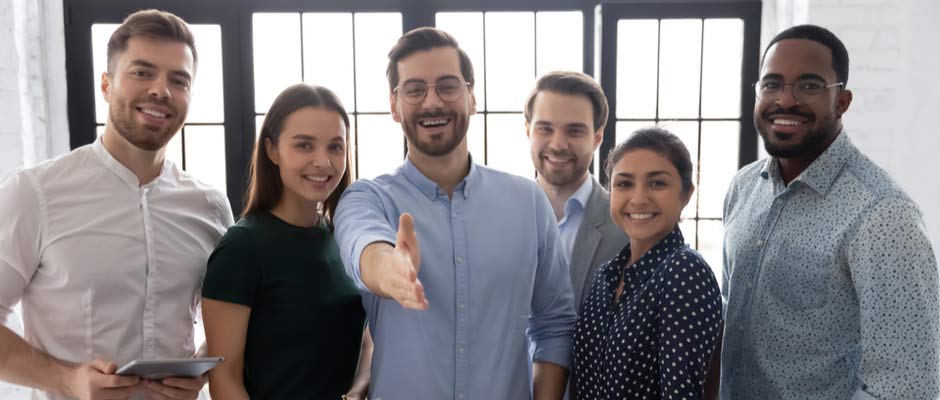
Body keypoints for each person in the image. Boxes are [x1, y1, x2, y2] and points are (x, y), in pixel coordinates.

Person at [0, 9, 232, 400]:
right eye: (142, 72)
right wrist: (67, 378)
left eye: (179, 80)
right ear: (106, 85)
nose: (161, 90)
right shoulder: (33, 192)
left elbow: (230, 319)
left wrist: (203, 367)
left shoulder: (210, 206)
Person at [333, 27, 576, 399]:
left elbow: (555, 325)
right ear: (395, 106)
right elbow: (362, 249)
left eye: (448, 86)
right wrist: (392, 270)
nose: (433, 102)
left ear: (471, 97)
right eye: (414, 90)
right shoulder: (367, 197)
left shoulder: (528, 202)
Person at [720, 24, 940, 399]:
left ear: (842, 101)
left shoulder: (883, 216)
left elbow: (908, 385)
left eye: (809, 86)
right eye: (771, 84)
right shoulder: (743, 188)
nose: (784, 100)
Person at [201, 84, 371, 399]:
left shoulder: (343, 238)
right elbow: (224, 380)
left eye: (335, 147)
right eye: (305, 146)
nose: (323, 161)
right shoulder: (242, 248)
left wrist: (359, 389)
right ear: (272, 150)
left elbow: (363, 337)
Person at [572, 128, 722, 399]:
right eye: (624, 184)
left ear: (686, 194)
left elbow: (682, 393)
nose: (638, 198)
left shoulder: (684, 271)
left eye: (657, 183)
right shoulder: (605, 276)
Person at [524, 71, 629, 311]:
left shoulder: (625, 227)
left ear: (597, 138)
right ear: (528, 130)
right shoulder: (500, 217)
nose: (558, 144)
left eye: (574, 131)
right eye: (545, 129)